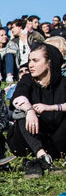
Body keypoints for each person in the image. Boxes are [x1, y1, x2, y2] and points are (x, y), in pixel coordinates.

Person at [7, 44, 66, 177]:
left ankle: (46, 155)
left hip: (54, 141)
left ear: (49, 62)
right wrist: (30, 110)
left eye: (36, 60)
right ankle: (42, 156)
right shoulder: (27, 79)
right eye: (29, 61)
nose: (30, 65)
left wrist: (52, 107)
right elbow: (18, 97)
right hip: (26, 139)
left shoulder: (63, 83)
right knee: (20, 112)